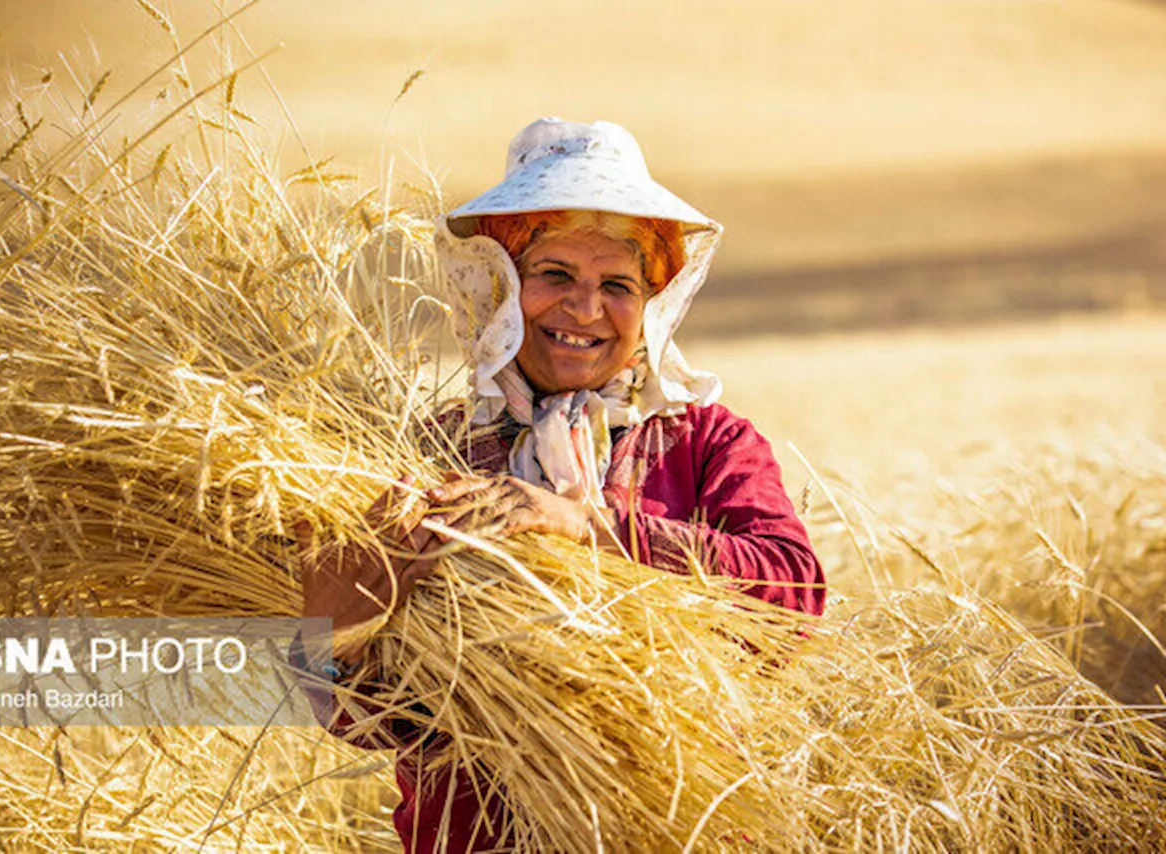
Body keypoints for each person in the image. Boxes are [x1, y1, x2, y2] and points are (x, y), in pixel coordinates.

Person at [293, 117, 825, 853]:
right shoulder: (427, 456)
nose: (584, 309)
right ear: (501, 287)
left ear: (652, 303)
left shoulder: (705, 443)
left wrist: (584, 527)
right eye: (554, 277)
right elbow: (382, 724)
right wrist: (330, 638)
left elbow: (793, 598)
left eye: (617, 285)